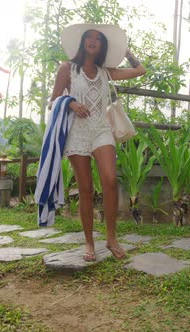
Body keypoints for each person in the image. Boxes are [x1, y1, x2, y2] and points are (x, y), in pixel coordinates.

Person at [51, 24, 145, 261]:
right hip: (77, 132)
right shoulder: (67, 68)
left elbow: (140, 70)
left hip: (101, 130)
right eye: (89, 37)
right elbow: (52, 102)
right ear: (83, 41)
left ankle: (111, 238)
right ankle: (89, 242)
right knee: (85, 189)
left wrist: (127, 52)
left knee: (110, 180)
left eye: (99, 39)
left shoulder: (107, 72)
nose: (93, 41)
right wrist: (70, 102)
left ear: (102, 46)